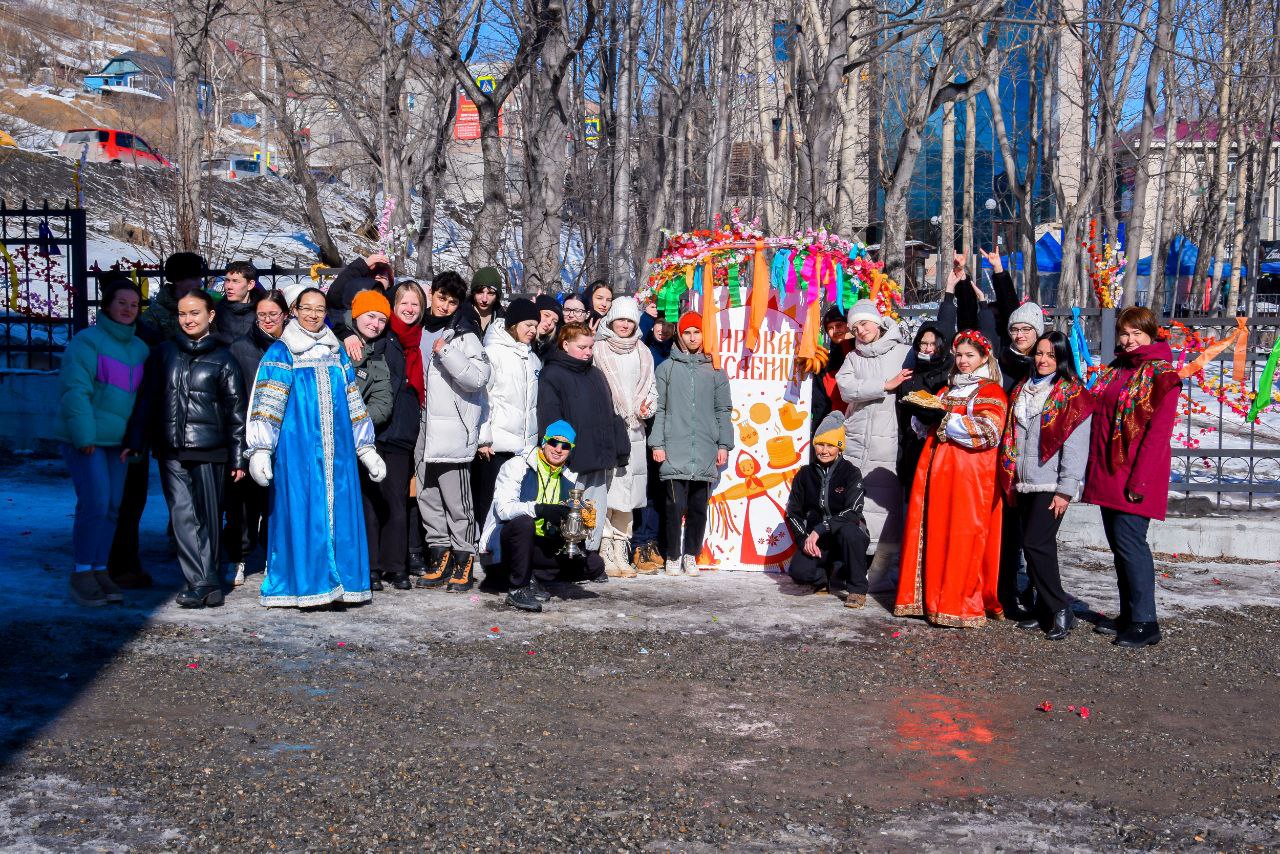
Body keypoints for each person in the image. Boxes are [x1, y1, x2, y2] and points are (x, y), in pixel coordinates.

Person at [247, 287, 386, 608]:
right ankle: (305, 585)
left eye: (320, 309)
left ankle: (342, 583)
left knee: (341, 515)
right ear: (294, 311)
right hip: (297, 453)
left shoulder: (336, 352)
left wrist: (366, 448)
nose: (313, 314)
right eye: (307, 308)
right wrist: (261, 448)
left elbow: (353, 400)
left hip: (339, 456)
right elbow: (267, 402)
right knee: (302, 514)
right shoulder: (282, 352)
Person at [125, 289, 247, 608]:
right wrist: (136, 439)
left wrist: (238, 456)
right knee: (182, 515)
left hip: (211, 450)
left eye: (195, 313)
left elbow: (236, 411)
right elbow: (147, 400)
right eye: (182, 314)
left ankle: (207, 580)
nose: (188, 319)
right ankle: (203, 581)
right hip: (171, 450)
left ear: (210, 315)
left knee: (208, 518)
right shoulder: (163, 354)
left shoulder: (224, 358)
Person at [1082, 306, 1181, 648]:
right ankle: (1128, 614)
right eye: (1124, 333)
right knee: (1119, 547)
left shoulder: (1162, 375)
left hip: (1136, 475)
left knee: (1131, 545)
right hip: (1109, 472)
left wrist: (1140, 482)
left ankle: (1145, 622)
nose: (1129, 340)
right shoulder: (1117, 369)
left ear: (1151, 335)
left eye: (1137, 333)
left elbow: (1158, 435)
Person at [894, 330, 1008, 627]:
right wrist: (922, 415)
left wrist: (945, 419)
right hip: (936, 470)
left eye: (970, 355)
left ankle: (957, 603)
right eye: (959, 355)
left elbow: (989, 432)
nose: (963, 361)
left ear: (984, 357)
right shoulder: (947, 390)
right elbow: (927, 427)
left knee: (961, 533)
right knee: (936, 531)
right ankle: (930, 598)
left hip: (968, 474)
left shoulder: (991, 391)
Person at [108, 251, 207, 587]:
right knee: (135, 490)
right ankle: (123, 558)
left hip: (190, 409)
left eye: (198, 278)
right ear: (175, 280)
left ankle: (181, 539)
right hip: (152, 409)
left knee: (187, 482)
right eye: (189, 277)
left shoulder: (204, 307)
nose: (195, 283)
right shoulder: (153, 319)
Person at [55, 275, 150, 607]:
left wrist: (135, 440)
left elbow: (141, 401)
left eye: (133, 304)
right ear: (107, 305)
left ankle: (100, 568)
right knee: (94, 503)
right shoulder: (87, 342)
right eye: (121, 302)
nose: (127, 309)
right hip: (88, 440)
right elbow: (75, 391)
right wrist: (84, 435)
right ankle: (82, 572)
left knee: (112, 508)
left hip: (118, 443)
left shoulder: (139, 348)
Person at [998, 330, 1093, 640]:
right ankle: (1044, 610)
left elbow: (1075, 447)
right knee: (1034, 546)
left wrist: (1066, 489)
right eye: (1039, 353)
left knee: (1036, 544)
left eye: (1051, 355)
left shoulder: (1072, 394)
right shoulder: (1022, 389)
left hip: (1050, 483)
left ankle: (1060, 607)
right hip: (1023, 480)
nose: (1043, 359)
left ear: (1062, 358)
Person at [413, 272, 491, 592]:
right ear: (431, 294)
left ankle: (464, 559)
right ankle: (439, 554)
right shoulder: (418, 328)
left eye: (452, 301)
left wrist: (447, 352)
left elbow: (479, 378)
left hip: (452, 425)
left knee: (457, 500)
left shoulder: (464, 333)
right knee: (427, 492)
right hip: (423, 421)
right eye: (441, 298)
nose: (444, 306)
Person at [979, 248, 1045, 618]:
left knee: (1035, 535)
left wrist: (1001, 272)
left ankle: (1037, 595)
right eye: (1015, 331)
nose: (1019, 335)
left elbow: (1014, 310)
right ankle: (1004, 593)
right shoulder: (1005, 358)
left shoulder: (1044, 363)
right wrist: (998, 272)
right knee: (1006, 530)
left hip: (1036, 457)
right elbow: (1010, 314)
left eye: (1026, 331)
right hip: (1003, 454)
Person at [538, 321, 629, 581]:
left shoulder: (595, 374)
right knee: (569, 512)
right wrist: (558, 451)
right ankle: (565, 559)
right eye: (582, 347)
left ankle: (588, 557)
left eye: (590, 347)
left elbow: (609, 414)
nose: (588, 352)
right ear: (565, 345)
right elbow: (550, 416)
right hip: (571, 459)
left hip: (598, 457)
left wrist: (618, 449)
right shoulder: (552, 374)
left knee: (593, 512)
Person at [480, 421, 595, 613]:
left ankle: (530, 576)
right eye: (554, 442)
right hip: (505, 541)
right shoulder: (517, 465)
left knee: (593, 565)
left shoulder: (569, 477)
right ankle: (518, 587)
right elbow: (503, 510)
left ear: (570, 450)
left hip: (540, 542)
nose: (558, 449)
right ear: (544, 442)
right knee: (524, 523)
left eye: (565, 446)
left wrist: (580, 521)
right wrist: (540, 509)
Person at [649, 313, 733, 576]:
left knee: (698, 507)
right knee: (674, 507)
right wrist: (657, 443)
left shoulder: (716, 370)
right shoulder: (666, 369)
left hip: (706, 449)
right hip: (674, 447)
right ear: (680, 335)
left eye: (697, 332)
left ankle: (690, 555)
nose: (693, 337)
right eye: (687, 332)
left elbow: (723, 410)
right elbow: (659, 408)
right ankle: (672, 555)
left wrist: (723, 444)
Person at [835, 299, 912, 578]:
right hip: (856, 438)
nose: (861, 331)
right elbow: (845, 388)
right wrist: (883, 385)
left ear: (877, 322)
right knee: (855, 502)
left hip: (889, 437)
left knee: (884, 503)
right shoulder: (853, 357)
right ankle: (855, 566)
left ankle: (880, 571)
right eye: (855, 328)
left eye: (864, 324)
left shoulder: (903, 352)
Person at [364, 281, 428, 591]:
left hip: (403, 430)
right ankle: (371, 566)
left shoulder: (420, 340)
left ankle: (396, 566)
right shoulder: (380, 335)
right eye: (404, 302)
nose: (410, 309)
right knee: (371, 501)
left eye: (415, 304)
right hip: (375, 430)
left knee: (397, 501)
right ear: (393, 305)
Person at [224, 289, 290, 587]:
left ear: (285, 315)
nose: (266, 320)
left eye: (272, 314)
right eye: (261, 315)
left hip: (285, 435)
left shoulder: (292, 346)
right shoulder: (241, 348)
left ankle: (273, 555)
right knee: (244, 503)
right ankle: (238, 557)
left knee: (277, 501)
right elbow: (233, 396)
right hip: (251, 433)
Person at [593, 296, 657, 577]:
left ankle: (622, 545)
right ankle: (605, 546)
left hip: (635, 430)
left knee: (629, 492)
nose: (624, 325)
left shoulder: (643, 352)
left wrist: (646, 407)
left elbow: (651, 389)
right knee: (607, 489)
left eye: (630, 320)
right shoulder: (598, 350)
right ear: (611, 320)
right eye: (620, 319)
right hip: (607, 429)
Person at [784, 413, 871, 606]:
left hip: (846, 535)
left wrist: (820, 529)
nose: (824, 451)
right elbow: (793, 513)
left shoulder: (851, 472)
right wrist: (804, 540)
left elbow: (853, 511)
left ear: (839, 448)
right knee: (799, 573)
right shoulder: (804, 474)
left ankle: (857, 589)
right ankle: (825, 576)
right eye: (820, 444)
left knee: (850, 532)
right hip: (819, 539)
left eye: (830, 446)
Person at [476, 298, 543, 539]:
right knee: (490, 501)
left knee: (516, 503)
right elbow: (483, 397)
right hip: (497, 445)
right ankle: (485, 548)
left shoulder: (533, 358)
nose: (532, 330)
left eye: (535, 325)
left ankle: (510, 550)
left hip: (524, 448)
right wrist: (483, 438)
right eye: (528, 324)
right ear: (513, 324)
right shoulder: (493, 353)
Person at [895, 260, 960, 487]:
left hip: (943, 450)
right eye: (924, 343)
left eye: (933, 344)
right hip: (913, 451)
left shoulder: (952, 369)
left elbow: (946, 324)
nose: (928, 348)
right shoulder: (911, 371)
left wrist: (950, 292)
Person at [349, 290, 395, 591]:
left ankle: (362, 566)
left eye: (381, 320)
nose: (375, 324)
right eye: (370, 316)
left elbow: (382, 403)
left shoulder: (377, 357)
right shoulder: (333, 342)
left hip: (354, 439)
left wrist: (353, 422)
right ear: (355, 316)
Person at [632, 304, 676, 573]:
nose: (663, 329)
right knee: (645, 488)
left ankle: (654, 541)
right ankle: (640, 542)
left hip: (670, 429)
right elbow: (637, 332)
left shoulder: (676, 352)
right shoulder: (643, 349)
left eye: (669, 324)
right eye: (659, 322)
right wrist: (648, 316)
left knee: (662, 489)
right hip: (645, 426)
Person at [326, 251, 394, 363]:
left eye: (383, 276)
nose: (377, 278)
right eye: (373, 275)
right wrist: (345, 333)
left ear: (390, 283)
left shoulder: (393, 303)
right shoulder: (353, 301)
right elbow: (334, 299)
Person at [811, 305, 855, 433]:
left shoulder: (866, 355)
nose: (835, 330)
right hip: (837, 429)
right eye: (830, 328)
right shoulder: (826, 364)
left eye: (839, 325)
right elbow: (820, 404)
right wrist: (819, 433)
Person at [212, 260, 265, 345]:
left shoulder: (262, 312)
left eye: (235, 281)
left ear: (250, 285)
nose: (229, 286)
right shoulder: (217, 311)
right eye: (227, 280)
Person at [469, 266, 505, 337]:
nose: (484, 299)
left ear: (497, 296)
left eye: (490, 293)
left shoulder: (504, 320)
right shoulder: (458, 316)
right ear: (473, 293)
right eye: (480, 292)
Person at [532, 294, 563, 360]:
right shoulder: (521, 341)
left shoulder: (550, 350)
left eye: (554, 321)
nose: (549, 322)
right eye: (546, 315)